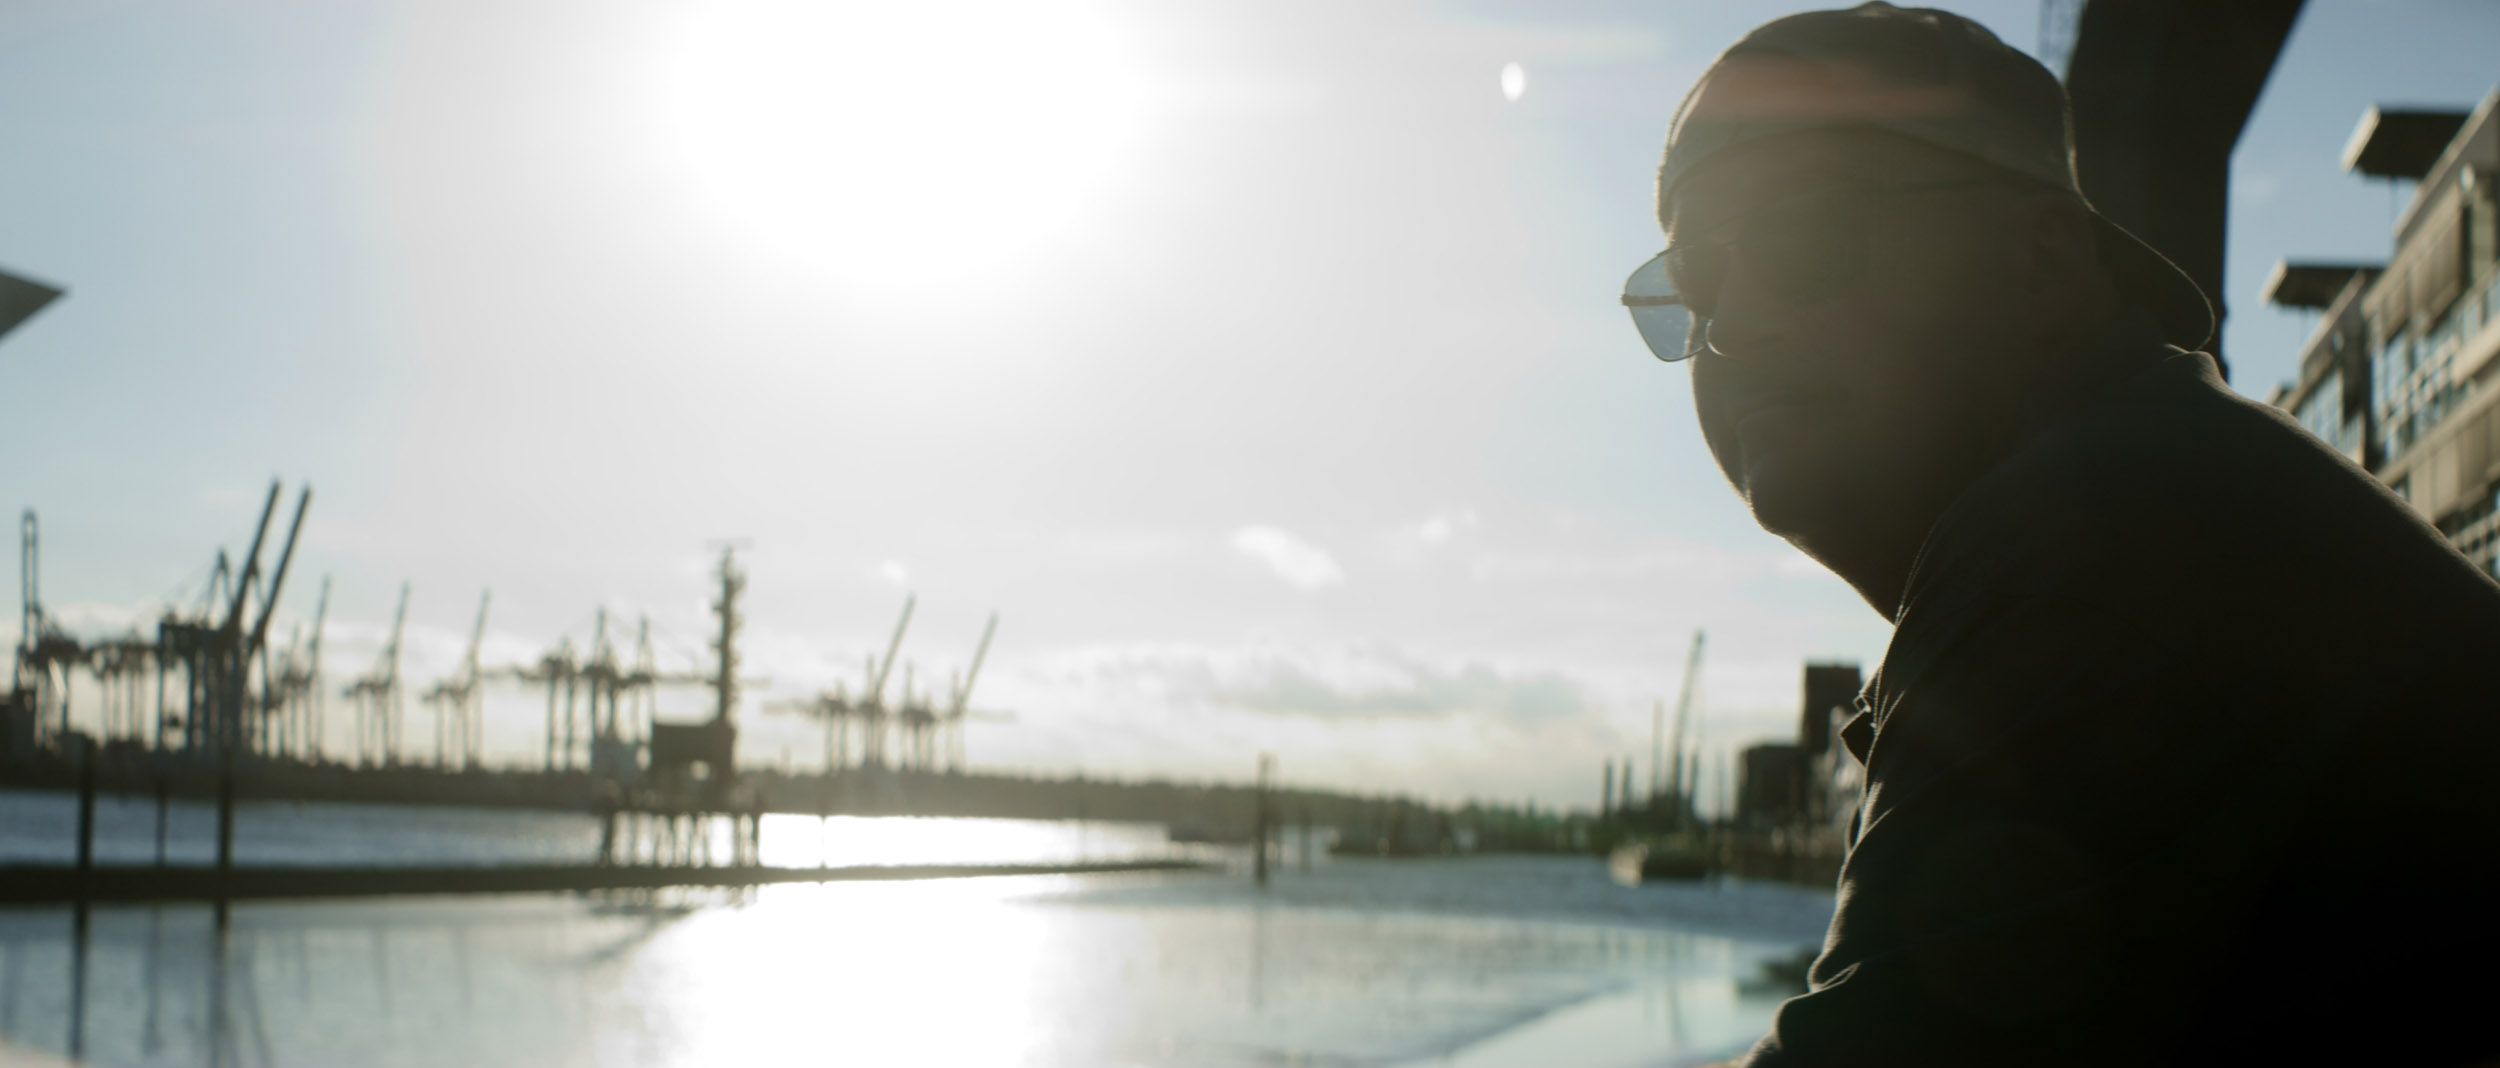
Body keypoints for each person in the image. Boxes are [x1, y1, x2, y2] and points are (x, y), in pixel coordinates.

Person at [1622, 5, 2500, 1065]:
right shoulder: (2163, 471)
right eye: (1697, 281)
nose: (1736, 320)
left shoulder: (2097, 536)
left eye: (1808, 231)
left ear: (2040, 257)